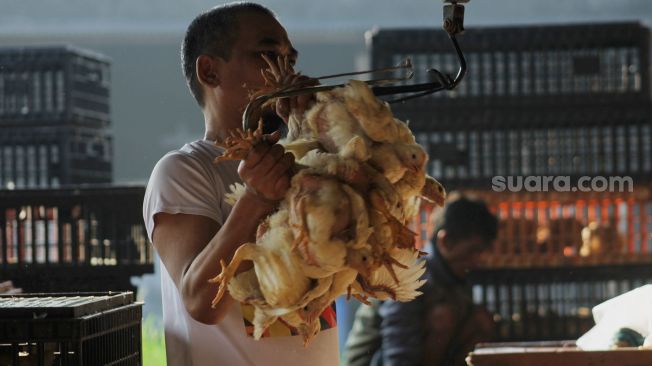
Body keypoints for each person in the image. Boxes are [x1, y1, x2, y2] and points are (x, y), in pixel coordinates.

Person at [142, 3, 338, 365]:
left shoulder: (304, 159)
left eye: (290, 60)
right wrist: (256, 200)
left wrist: (314, 135)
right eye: (267, 55)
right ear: (210, 70)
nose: (286, 72)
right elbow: (201, 302)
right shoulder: (183, 170)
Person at [344, 195, 498, 366]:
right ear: (445, 241)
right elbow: (398, 349)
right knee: (442, 317)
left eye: (482, 251)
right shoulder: (409, 277)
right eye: (473, 250)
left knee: (480, 320)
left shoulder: (456, 277)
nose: (479, 260)